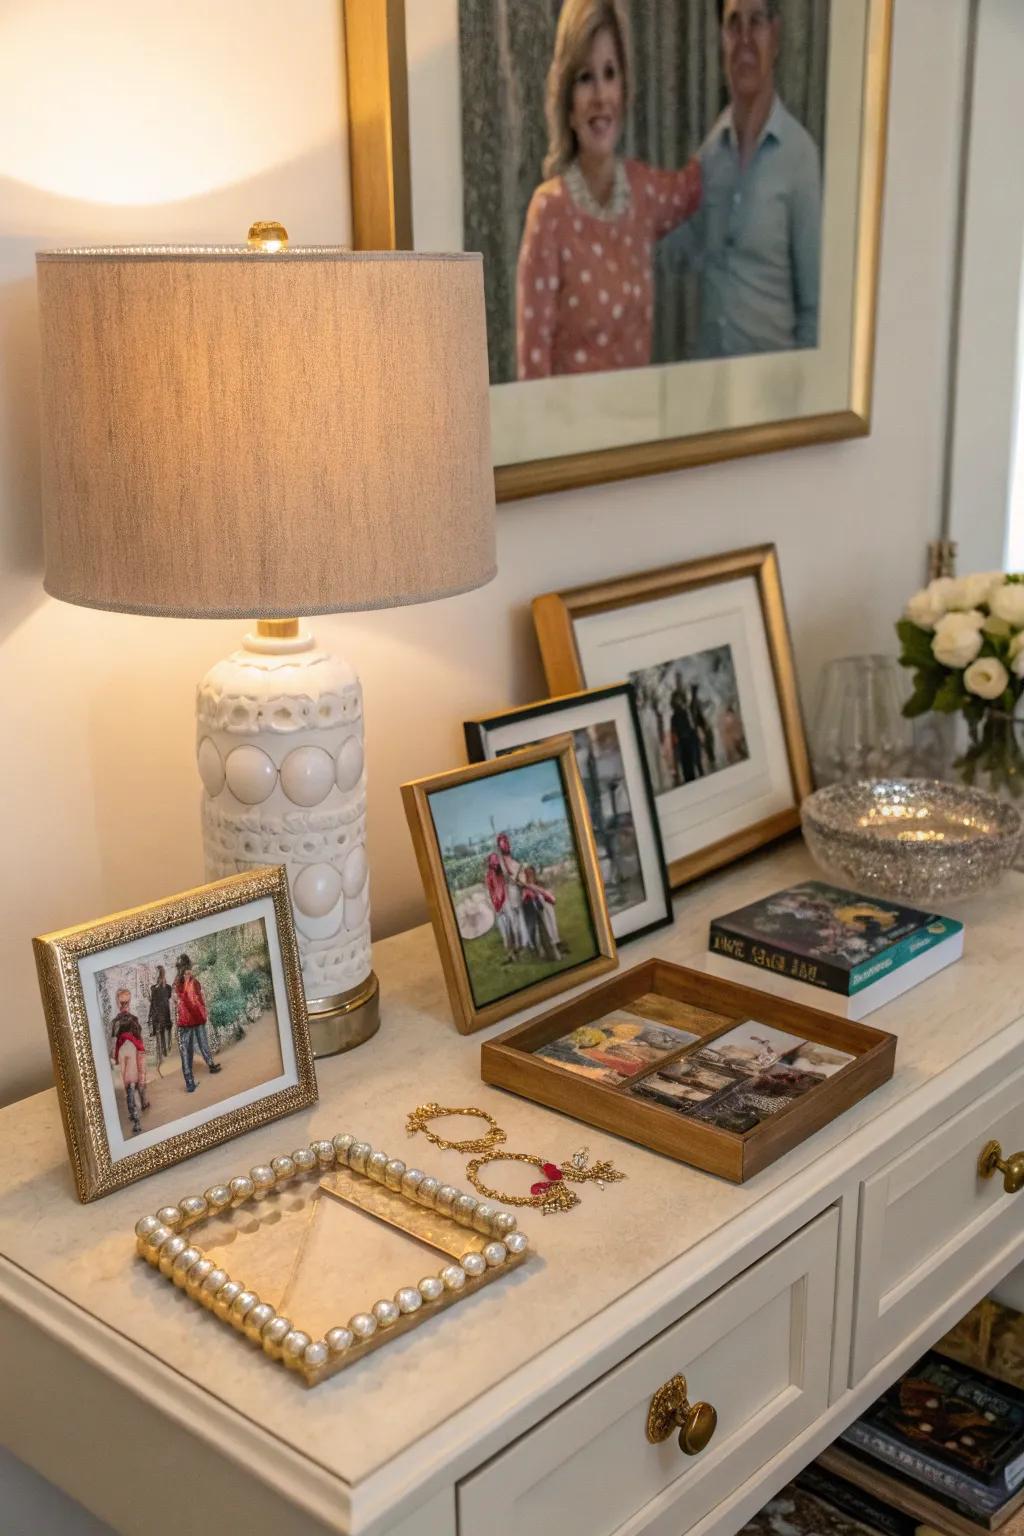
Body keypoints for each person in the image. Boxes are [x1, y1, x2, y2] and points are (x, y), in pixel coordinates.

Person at [515, 0, 701, 378]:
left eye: (610, 74)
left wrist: (740, 118)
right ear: (567, 104)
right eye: (585, 78)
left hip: (641, 427)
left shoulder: (645, 191)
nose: (600, 95)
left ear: (625, 90)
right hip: (573, 435)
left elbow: (697, 185)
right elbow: (532, 370)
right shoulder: (549, 211)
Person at [666, 0, 821, 359]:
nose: (745, 38)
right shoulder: (709, 153)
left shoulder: (800, 157)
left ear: (776, 36)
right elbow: (678, 251)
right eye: (734, 23)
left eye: (757, 22)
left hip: (772, 393)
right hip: (710, 394)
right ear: (722, 39)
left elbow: (814, 310)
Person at [173, 953, 222, 1094]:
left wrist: (201, 1010)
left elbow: (198, 997)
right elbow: (184, 1001)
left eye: (188, 968)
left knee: (196, 1045)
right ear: (184, 968)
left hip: (191, 1019)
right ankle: (193, 1078)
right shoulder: (183, 983)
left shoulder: (188, 982)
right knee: (192, 1048)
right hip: (189, 1020)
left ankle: (204, 1069)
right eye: (187, 967)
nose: (189, 970)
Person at [109, 987, 149, 1135]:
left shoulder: (115, 1022)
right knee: (134, 1081)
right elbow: (139, 1038)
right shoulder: (133, 1019)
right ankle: (137, 1117)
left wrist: (114, 1055)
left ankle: (134, 1113)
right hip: (132, 1051)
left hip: (122, 1052)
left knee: (128, 1084)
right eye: (126, 1002)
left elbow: (113, 1042)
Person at [147, 964, 173, 1061]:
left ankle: (165, 1050)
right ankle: (164, 1051)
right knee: (161, 1032)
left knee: (164, 1031)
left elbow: (167, 996)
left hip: (163, 1012)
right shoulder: (154, 988)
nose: (155, 975)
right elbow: (153, 1001)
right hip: (158, 1012)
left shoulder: (166, 987)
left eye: (156, 972)